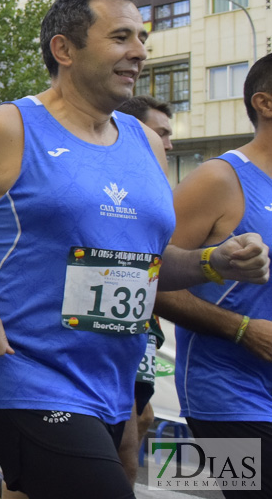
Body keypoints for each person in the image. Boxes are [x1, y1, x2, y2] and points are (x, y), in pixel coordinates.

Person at [0, 0, 268, 499]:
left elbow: (149, 267)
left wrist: (213, 262)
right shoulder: (5, 128)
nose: (138, 51)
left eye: (141, 38)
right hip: (25, 374)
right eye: (120, 37)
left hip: (112, 383)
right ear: (64, 49)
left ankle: (12, 489)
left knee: (124, 468)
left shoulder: (144, 144)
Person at [154, 53, 272, 498]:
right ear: (265, 103)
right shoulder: (219, 178)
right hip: (227, 396)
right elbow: (148, 277)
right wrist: (243, 330)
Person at [114, 94, 173, 484]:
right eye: (160, 133)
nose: (167, 144)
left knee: (144, 416)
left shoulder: (158, 191)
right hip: (102, 336)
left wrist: (214, 262)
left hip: (142, 328)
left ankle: (8, 485)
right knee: (123, 453)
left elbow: (165, 261)